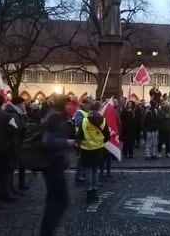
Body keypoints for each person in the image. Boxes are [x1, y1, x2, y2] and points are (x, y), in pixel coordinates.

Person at [39, 94, 76, 236]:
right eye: (68, 104)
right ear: (62, 104)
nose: (70, 106)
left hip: (54, 163)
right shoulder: (56, 116)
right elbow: (48, 141)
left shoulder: (55, 115)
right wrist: (67, 142)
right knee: (60, 201)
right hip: (53, 163)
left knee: (54, 200)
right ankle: (47, 232)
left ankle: (47, 231)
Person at [77, 100, 110, 204]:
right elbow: (107, 136)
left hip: (86, 149)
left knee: (88, 172)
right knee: (95, 171)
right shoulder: (103, 120)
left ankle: (89, 194)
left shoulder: (85, 121)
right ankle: (94, 193)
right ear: (99, 108)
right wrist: (100, 141)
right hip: (98, 149)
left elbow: (80, 136)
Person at [73, 96, 92, 183]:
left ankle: (84, 174)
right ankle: (78, 174)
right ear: (84, 104)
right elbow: (79, 122)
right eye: (88, 104)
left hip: (87, 136)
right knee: (81, 157)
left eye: (90, 104)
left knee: (85, 157)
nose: (89, 106)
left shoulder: (87, 112)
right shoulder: (79, 112)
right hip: (80, 137)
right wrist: (89, 120)